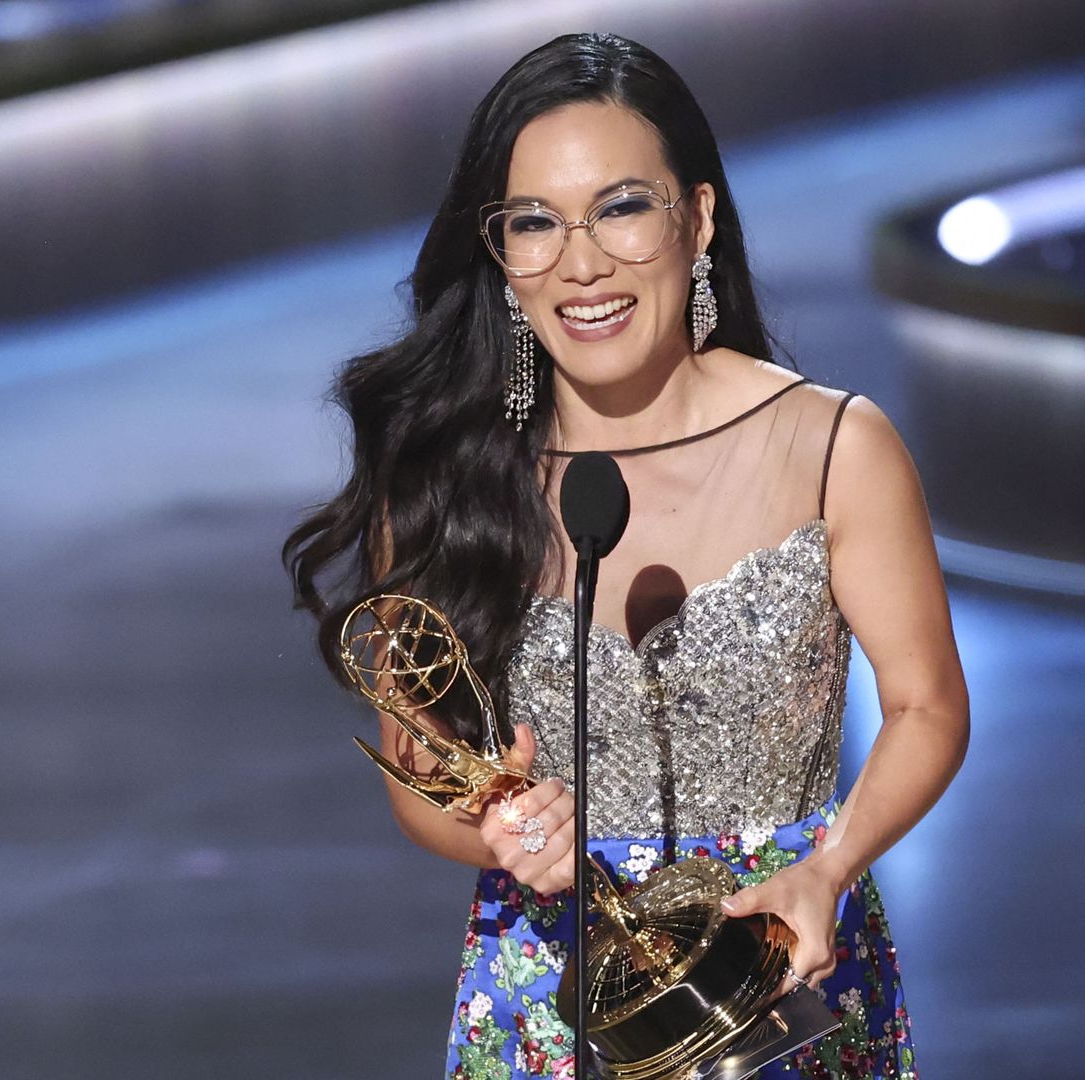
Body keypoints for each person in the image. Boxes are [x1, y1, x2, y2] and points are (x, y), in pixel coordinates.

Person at [284, 32, 968, 1080]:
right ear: (499, 255)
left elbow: (925, 706)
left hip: (780, 972)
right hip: (549, 996)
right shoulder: (444, 475)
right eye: (534, 224)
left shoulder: (831, 446)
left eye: (621, 207)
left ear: (696, 219)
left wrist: (830, 867)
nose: (580, 263)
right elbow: (417, 772)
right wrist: (499, 836)